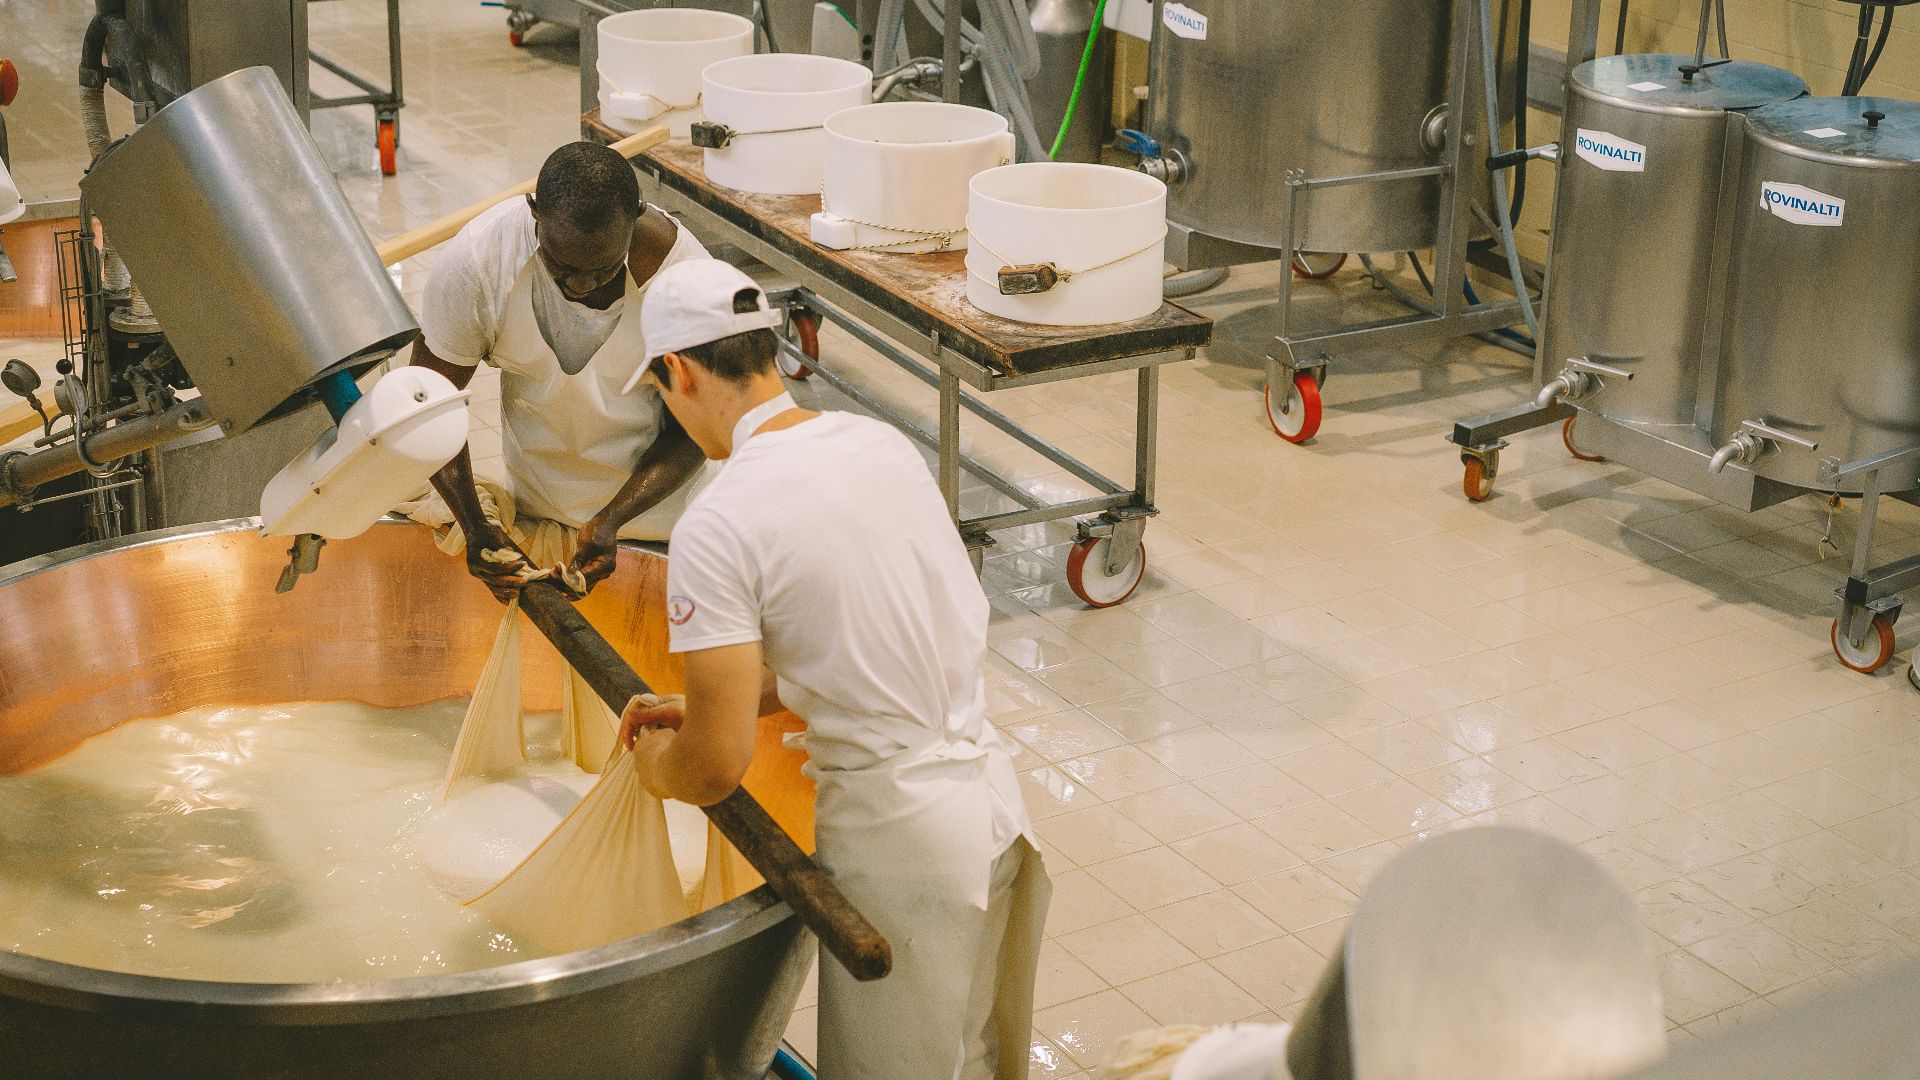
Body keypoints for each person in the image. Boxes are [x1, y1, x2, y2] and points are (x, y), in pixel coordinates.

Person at [617, 259, 1051, 1080]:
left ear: (675, 369)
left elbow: (713, 770)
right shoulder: (874, 444)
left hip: (903, 847)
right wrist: (717, 703)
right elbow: (865, 645)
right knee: (981, 1065)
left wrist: (655, 769)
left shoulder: (718, 521)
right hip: (993, 812)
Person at [410, 141, 709, 597]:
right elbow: (427, 405)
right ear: (535, 213)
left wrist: (611, 520)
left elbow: (695, 430)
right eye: (562, 265)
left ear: (637, 218)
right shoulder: (478, 264)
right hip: (541, 507)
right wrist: (474, 525)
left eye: (605, 268)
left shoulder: (685, 281)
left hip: (664, 518)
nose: (581, 284)